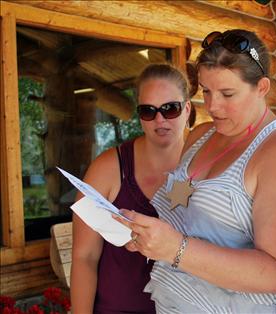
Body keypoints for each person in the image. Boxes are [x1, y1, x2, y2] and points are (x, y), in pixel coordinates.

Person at [115, 29, 276, 313]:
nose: (212, 106)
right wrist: (149, 238)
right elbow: (187, 220)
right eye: (206, 91)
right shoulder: (201, 135)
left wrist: (174, 248)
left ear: (262, 88)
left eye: (227, 93)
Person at [71, 63, 192, 314]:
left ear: (188, 109)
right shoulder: (108, 168)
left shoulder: (207, 164)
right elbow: (84, 257)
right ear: (139, 115)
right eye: (149, 111)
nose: (160, 119)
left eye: (170, 109)